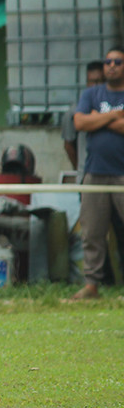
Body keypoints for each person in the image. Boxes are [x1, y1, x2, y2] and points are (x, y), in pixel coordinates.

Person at [70, 46, 124, 300]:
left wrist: (98, 118)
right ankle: (92, 285)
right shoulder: (92, 93)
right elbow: (80, 123)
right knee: (92, 231)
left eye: (117, 62)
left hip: (122, 174)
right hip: (95, 172)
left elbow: (90, 121)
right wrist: (114, 115)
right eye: (108, 61)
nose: (111, 65)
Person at [62, 60, 106, 173]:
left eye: (99, 81)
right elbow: (68, 145)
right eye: (91, 81)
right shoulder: (74, 111)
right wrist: (80, 170)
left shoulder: (116, 107)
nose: (95, 86)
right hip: (88, 173)